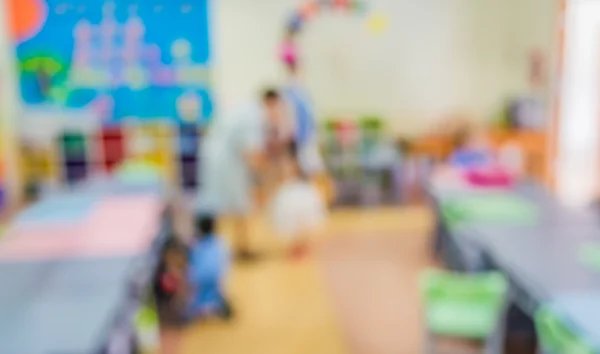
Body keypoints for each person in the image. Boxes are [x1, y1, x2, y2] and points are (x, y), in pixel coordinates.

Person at [197, 89, 285, 261]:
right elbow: (252, 154)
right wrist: (270, 173)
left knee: (234, 205)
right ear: (271, 103)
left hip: (222, 158)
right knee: (237, 205)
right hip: (226, 162)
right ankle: (235, 250)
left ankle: (235, 248)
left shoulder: (249, 110)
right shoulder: (255, 117)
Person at [269, 141, 327, 259]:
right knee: (293, 222)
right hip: (292, 194)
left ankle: (300, 244)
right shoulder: (287, 162)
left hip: (300, 193)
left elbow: (315, 175)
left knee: (300, 222)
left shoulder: (305, 158)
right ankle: (296, 244)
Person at [187, 214, 233, 320]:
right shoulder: (221, 242)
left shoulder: (195, 244)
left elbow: (192, 265)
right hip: (216, 281)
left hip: (198, 283)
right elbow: (226, 263)